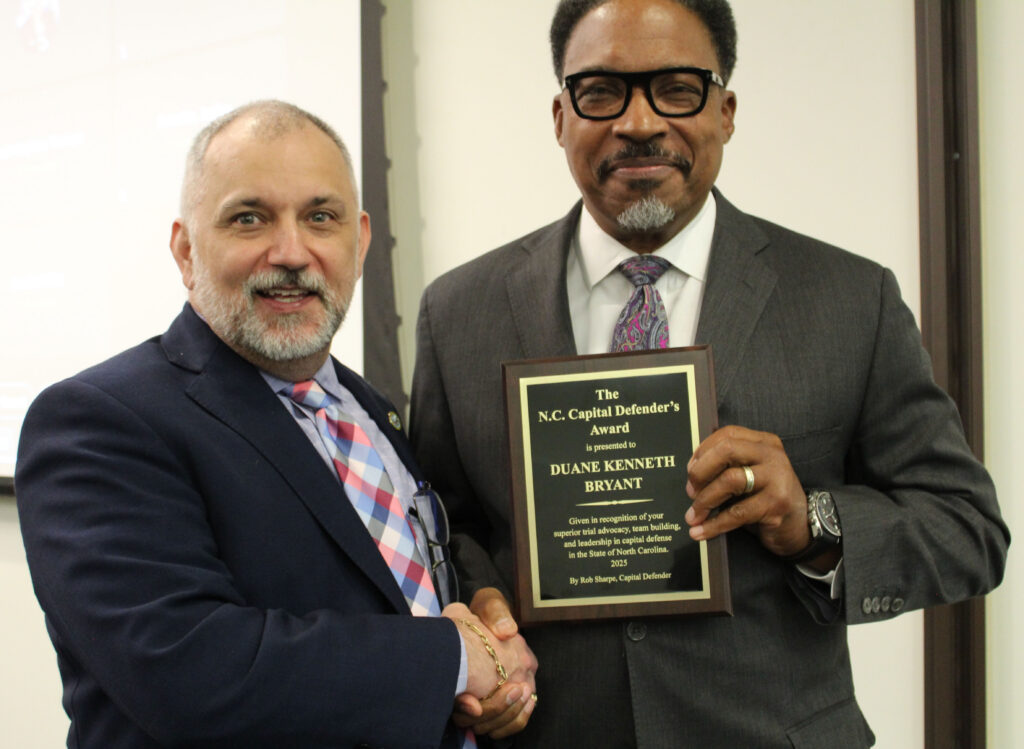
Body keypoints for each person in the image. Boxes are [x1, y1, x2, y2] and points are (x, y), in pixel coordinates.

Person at [409, 1, 1009, 747]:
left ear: (725, 111)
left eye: (678, 89)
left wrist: (812, 523)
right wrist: (483, 605)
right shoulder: (459, 311)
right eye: (602, 91)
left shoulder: (850, 299)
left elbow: (967, 530)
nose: (638, 122)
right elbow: (440, 522)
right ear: (560, 115)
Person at [15, 100, 537, 749]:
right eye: (249, 218)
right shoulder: (97, 422)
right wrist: (455, 657)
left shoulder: (369, 407)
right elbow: (193, 673)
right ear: (185, 249)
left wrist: (487, 618)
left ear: (360, 240)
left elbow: (410, 567)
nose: (291, 251)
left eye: (320, 217)